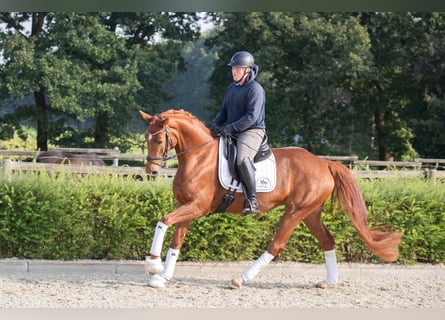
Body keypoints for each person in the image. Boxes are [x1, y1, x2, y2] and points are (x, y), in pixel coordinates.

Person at [209, 51, 266, 214]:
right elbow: (224, 111)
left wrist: (229, 128)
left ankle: (252, 200)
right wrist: (215, 123)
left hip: (252, 131)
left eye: (238, 68)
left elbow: (251, 117)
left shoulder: (255, 89)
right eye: (233, 68)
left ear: (248, 70)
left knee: (242, 158)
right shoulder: (232, 88)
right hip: (233, 130)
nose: (234, 71)